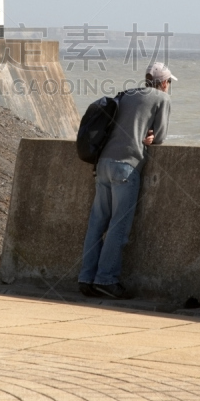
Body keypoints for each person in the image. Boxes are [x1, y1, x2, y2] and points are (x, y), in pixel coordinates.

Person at [78, 61, 177, 299]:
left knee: (97, 222)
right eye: (169, 82)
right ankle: (106, 280)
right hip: (126, 166)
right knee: (118, 226)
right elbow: (161, 136)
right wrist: (151, 134)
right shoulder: (162, 99)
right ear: (163, 82)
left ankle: (86, 278)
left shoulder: (127, 94)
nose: (169, 86)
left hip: (103, 164)